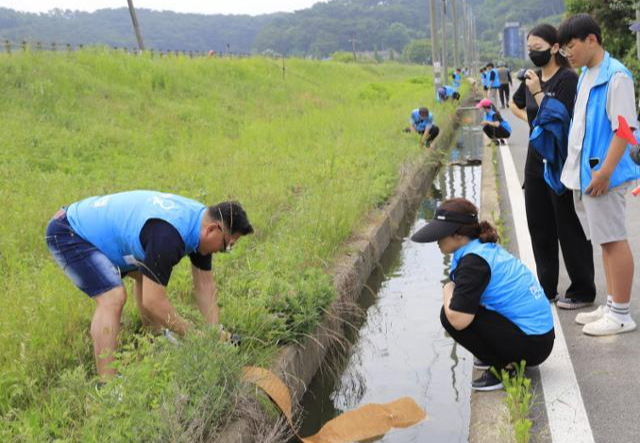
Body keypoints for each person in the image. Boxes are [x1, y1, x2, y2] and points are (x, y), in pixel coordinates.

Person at [46, 190, 254, 379]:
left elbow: (204, 285)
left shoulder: (199, 223)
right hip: (70, 232)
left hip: (103, 229)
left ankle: (153, 339)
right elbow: (154, 301)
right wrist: (193, 336)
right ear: (212, 230)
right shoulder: (169, 236)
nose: (224, 250)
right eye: (227, 245)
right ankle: (107, 386)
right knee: (113, 297)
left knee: (142, 274)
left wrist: (215, 332)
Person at [411, 198, 555, 391]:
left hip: (533, 344)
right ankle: (500, 355)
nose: (437, 240)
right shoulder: (480, 248)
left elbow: (458, 319)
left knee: (449, 314)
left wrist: (447, 289)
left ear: (458, 235)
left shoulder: (473, 262)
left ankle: (505, 368)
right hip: (539, 336)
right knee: (463, 303)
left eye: (440, 234)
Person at [559, 14, 640, 335]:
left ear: (591, 39)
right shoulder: (586, 74)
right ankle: (611, 304)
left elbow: (624, 129)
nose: (568, 54)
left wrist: (605, 172)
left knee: (614, 239)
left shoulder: (615, 76)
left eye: (571, 46)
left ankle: (621, 313)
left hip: (604, 174)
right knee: (605, 241)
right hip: (589, 174)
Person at [510, 23, 596, 308]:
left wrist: (537, 94)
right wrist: (532, 123)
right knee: (539, 225)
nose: (533, 54)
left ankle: (583, 290)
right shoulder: (532, 77)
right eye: (529, 49)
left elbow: (560, 118)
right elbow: (514, 105)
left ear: (555, 47)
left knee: (567, 226)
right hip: (535, 161)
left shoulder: (567, 80)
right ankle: (546, 288)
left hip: (560, 161)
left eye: (538, 48)